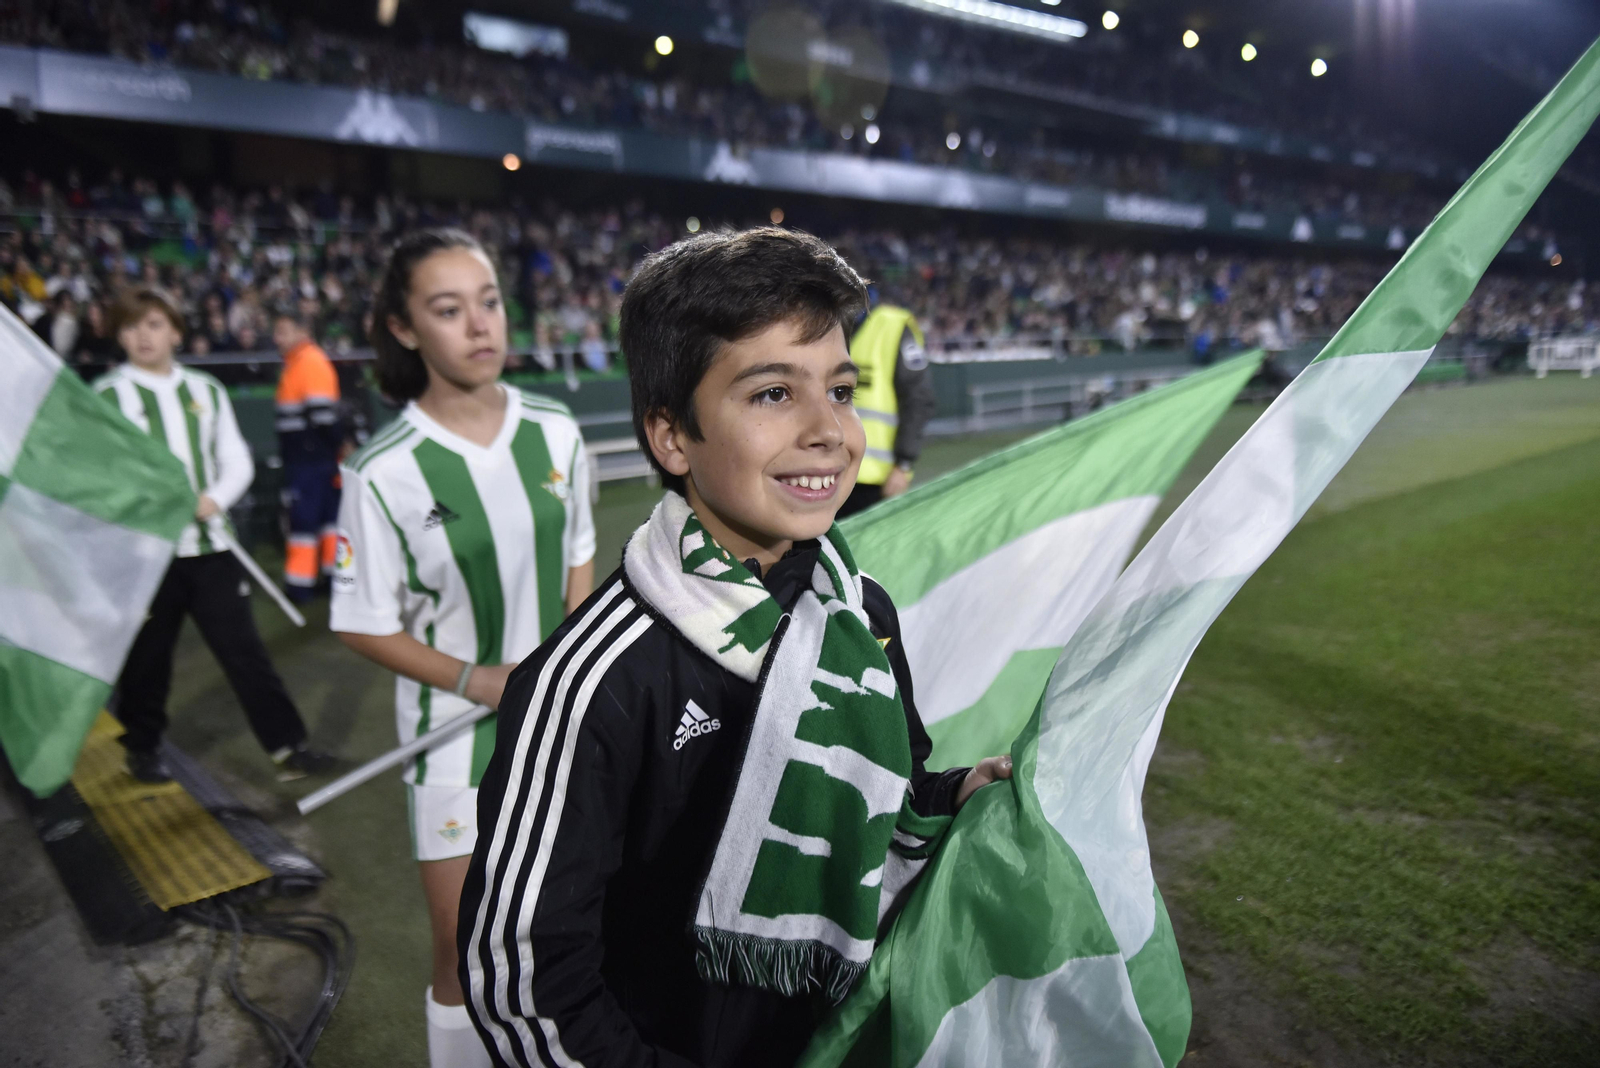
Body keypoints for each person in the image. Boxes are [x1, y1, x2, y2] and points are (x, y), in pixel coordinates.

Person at [458, 228, 1011, 1068]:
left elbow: (885, 804)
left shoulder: (859, 610)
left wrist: (954, 794)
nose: (831, 431)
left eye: (841, 390)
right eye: (773, 394)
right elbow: (523, 979)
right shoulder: (591, 679)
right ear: (672, 436)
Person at [329, 228, 596, 1068]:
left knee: (567, 928)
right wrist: (477, 680)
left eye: (489, 302)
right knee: (462, 948)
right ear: (403, 328)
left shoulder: (555, 431)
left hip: (561, 726)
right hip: (451, 740)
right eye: (448, 310)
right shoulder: (383, 471)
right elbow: (359, 619)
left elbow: (579, 562)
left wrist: (577, 671)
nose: (480, 325)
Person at [94, 287, 332, 784]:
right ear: (119, 335)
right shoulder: (106, 396)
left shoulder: (205, 390)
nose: (143, 335)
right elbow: (100, 473)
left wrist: (216, 499)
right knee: (147, 661)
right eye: (131, 326)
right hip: (146, 556)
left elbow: (236, 458)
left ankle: (288, 747)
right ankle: (143, 748)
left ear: (176, 332)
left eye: (154, 324)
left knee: (245, 653)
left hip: (211, 550)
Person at [835, 292, 937, 517]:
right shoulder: (819, 323)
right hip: (824, 474)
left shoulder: (893, 327)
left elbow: (918, 399)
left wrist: (904, 464)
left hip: (874, 481)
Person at [273, 306, 346, 601]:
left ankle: (299, 587)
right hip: (316, 457)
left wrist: (332, 448)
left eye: (283, 332)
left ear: (302, 332)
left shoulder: (308, 362)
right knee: (330, 521)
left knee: (305, 523)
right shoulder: (300, 362)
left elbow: (323, 415)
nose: (277, 338)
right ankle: (334, 580)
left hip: (310, 460)